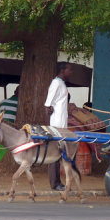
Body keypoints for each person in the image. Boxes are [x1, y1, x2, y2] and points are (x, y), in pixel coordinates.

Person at [44, 62, 72, 191]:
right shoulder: (56, 83)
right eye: (69, 70)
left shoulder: (61, 83)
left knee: (59, 152)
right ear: (63, 70)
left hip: (61, 123)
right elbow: (48, 102)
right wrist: (48, 109)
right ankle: (55, 183)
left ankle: (58, 182)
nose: (70, 72)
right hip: (57, 124)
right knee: (55, 152)